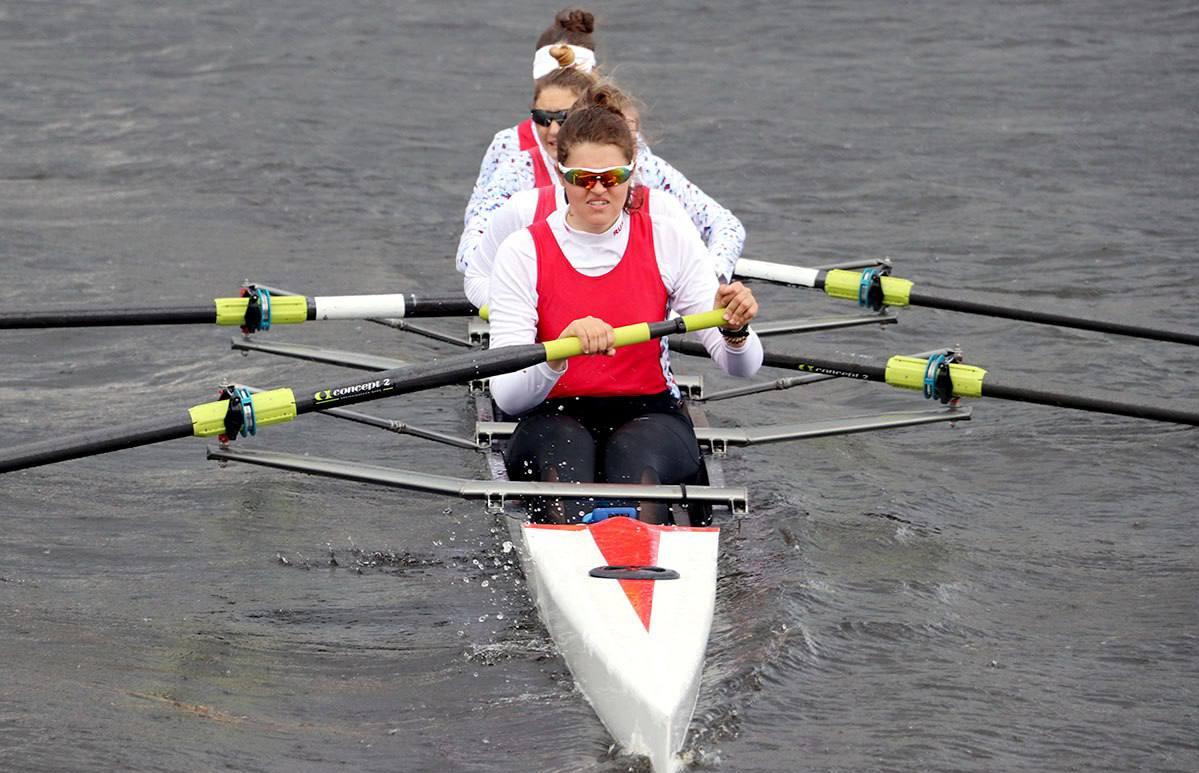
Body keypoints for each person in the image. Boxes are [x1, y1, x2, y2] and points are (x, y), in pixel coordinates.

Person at [487, 89, 763, 526]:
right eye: (583, 178)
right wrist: (559, 351)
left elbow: (743, 367)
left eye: (612, 176)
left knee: (637, 466)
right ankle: (582, 555)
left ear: (632, 172)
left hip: (649, 411)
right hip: (552, 412)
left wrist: (735, 331)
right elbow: (507, 394)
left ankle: (639, 566)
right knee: (564, 467)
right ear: (561, 176)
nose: (598, 190)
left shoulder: (669, 239)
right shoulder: (523, 251)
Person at [457, 8, 745, 291]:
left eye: (565, 118)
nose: (554, 131)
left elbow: (723, 225)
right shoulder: (514, 160)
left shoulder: (635, 157)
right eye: (543, 118)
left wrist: (707, 286)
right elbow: (472, 253)